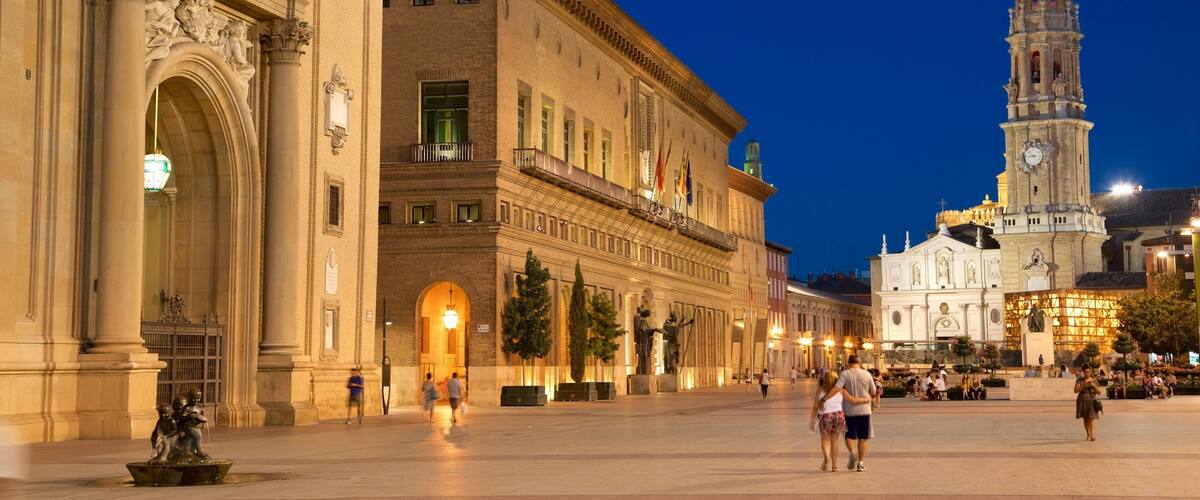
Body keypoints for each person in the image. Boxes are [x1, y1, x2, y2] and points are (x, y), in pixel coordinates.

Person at [821, 355, 876, 472]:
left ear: (848, 363)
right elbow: (874, 391)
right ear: (860, 363)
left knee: (850, 435)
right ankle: (860, 463)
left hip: (849, 411)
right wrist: (868, 398)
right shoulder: (867, 374)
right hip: (865, 410)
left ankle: (852, 451)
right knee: (863, 437)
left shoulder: (845, 374)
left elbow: (836, 388)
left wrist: (824, 399)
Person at [809, 371, 869, 472]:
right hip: (838, 416)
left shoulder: (820, 389)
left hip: (825, 416)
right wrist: (865, 400)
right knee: (835, 441)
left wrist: (812, 419)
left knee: (825, 440)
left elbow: (815, 406)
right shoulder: (841, 390)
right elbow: (852, 400)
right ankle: (834, 466)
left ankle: (826, 458)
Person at [1074, 364, 1101, 441]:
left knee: (1091, 418)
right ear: (1083, 372)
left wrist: (1093, 385)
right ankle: (1088, 434)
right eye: (1086, 372)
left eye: (1089, 372)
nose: (1087, 373)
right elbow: (1076, 390)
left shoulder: (1094, 380)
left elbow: (1099, 392)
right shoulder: (1080, 380)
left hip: (1092, 400)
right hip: (1082, 400)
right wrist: (1084, 385)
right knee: (1085, 419)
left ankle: (1092, 435)